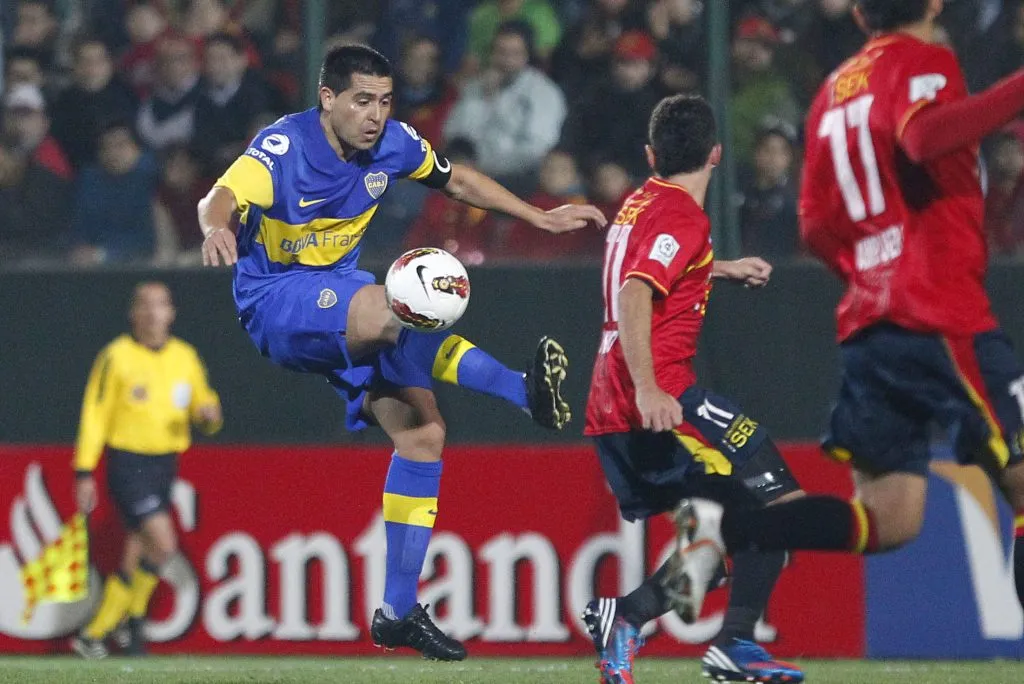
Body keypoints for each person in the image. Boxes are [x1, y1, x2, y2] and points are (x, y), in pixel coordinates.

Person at [197, 44, 605, 661]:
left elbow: (456, 179)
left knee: (424, 436)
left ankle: (396, 611)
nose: (376, 115)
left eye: (385, 101)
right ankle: (522, 391)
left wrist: (537, 216)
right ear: (327, 98)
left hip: (342, 297)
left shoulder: (393, 144)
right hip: (276, 300)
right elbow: (220, 197)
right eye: (362, 100)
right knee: (396, 306)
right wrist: (216, 228)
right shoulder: (283, 148)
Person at [668, 0, 1024, 636]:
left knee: (889, 519)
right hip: (939, 312)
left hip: (870, 326)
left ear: (860, 14)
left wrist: (872, 273)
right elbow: (923, 137)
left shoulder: (832, 91)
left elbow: (814, 224)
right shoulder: (926, 61)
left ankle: (727, 529)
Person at [581, 94, 805, 684]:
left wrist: (716, 267)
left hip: (612, 397)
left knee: (726, 533)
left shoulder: (640, 202)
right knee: (780, 509)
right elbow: (635, 289)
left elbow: (649, 264)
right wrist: (650, 388)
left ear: (651, 154)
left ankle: (627, 617)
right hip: (660, 394)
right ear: (717, 154)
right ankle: (733, 644)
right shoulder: (682, 216)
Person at [71, 282, 222, 659]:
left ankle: (126, 625)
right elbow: (95, 413)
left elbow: (204, 405)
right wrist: (84, 470)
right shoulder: (117, 356)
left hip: (164, 464)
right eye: (146, 305)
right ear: (133, 314)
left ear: (171, 313)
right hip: (128, 462)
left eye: (161, 305)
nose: (154, 313)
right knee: (164, 543)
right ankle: (98, 629)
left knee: (138, 548)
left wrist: (209, 415)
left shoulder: (184, 357)